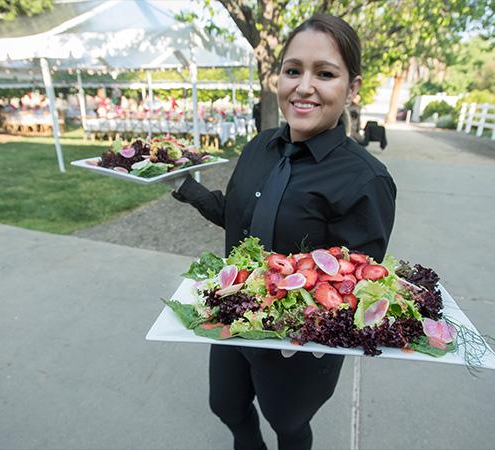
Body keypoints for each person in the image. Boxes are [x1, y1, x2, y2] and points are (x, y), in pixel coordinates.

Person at [164, 13, 396, 450]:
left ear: (353, 87)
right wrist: (184, 187)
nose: (304, 86)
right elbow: (242, 222)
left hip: (300, 342)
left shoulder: (366, 180)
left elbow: (357, 282)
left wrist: (306, 329)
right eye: (293, 70)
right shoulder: (259, 146)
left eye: (325, 73)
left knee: (288, 423)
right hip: (237, 315)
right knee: (226, 406)